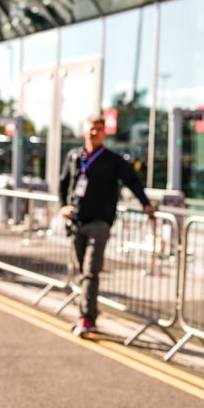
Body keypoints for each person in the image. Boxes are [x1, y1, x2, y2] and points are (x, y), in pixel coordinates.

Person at [59, 112, 155, 338]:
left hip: (99, 222)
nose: (95, 132)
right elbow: (63, 184)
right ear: (84, 130)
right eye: (92, 128)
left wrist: (146, 204)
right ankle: (89, 311)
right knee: (82, 271)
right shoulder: (74, 157)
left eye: (100, 129)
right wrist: (63, 206)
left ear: (105, 133)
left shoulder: (112, 160)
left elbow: (132, 180)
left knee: (91, 271)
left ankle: (87, 317)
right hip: (76, 222)